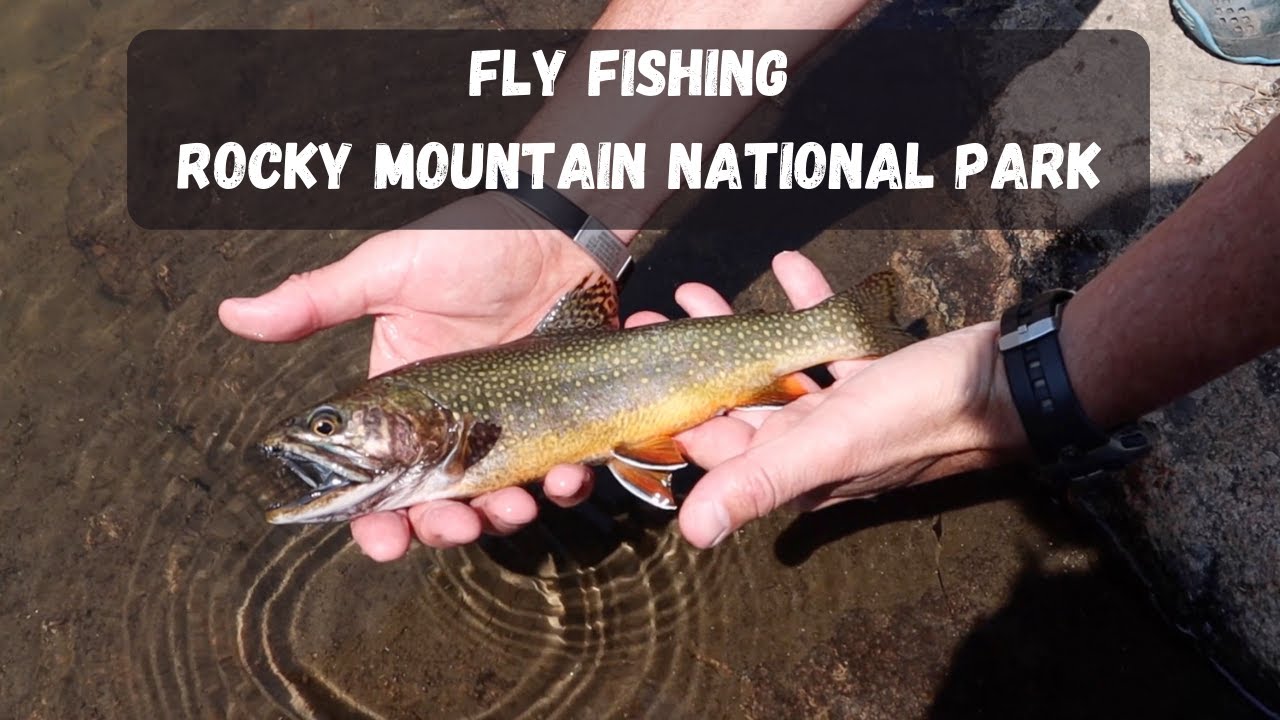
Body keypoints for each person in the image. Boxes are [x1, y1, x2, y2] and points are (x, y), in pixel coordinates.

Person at [220, 0, 1280, 560]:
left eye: (335, 428)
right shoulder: (448, 424)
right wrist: (550, 205)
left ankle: (841, 334)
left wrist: (1026, 397)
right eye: (334, 437)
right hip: (639, 372)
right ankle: (839, 332)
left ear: (415, 424)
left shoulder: (459, 425)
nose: (326, 450)